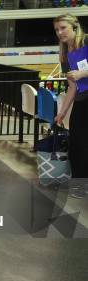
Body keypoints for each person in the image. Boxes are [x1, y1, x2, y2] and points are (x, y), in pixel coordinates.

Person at [53, 14, 88, 199]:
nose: (60, 32)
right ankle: (80, 186)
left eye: (63, 28)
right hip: (82, 100)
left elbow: (80, 76)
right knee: (77, 144)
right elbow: (72, 86)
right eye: (57, 30)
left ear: (74, 27)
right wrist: (62, 112)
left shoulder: (87, 41)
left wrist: (83, 73)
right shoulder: (65, 55)